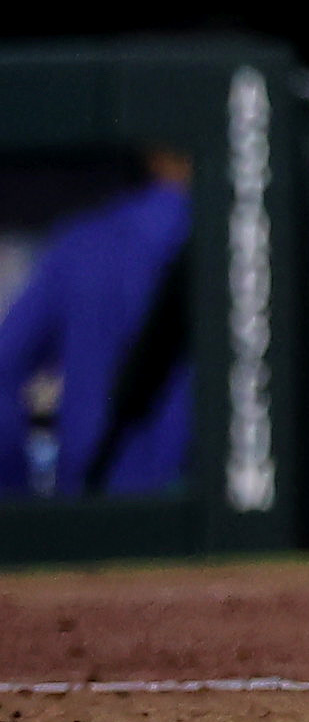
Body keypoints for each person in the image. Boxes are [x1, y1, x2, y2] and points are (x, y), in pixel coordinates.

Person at [0, 142, 188, 497]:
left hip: (93, 512)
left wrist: (20, 502)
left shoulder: (84, 244)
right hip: (228, 517)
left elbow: (4, 371)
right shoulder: (257, 243)